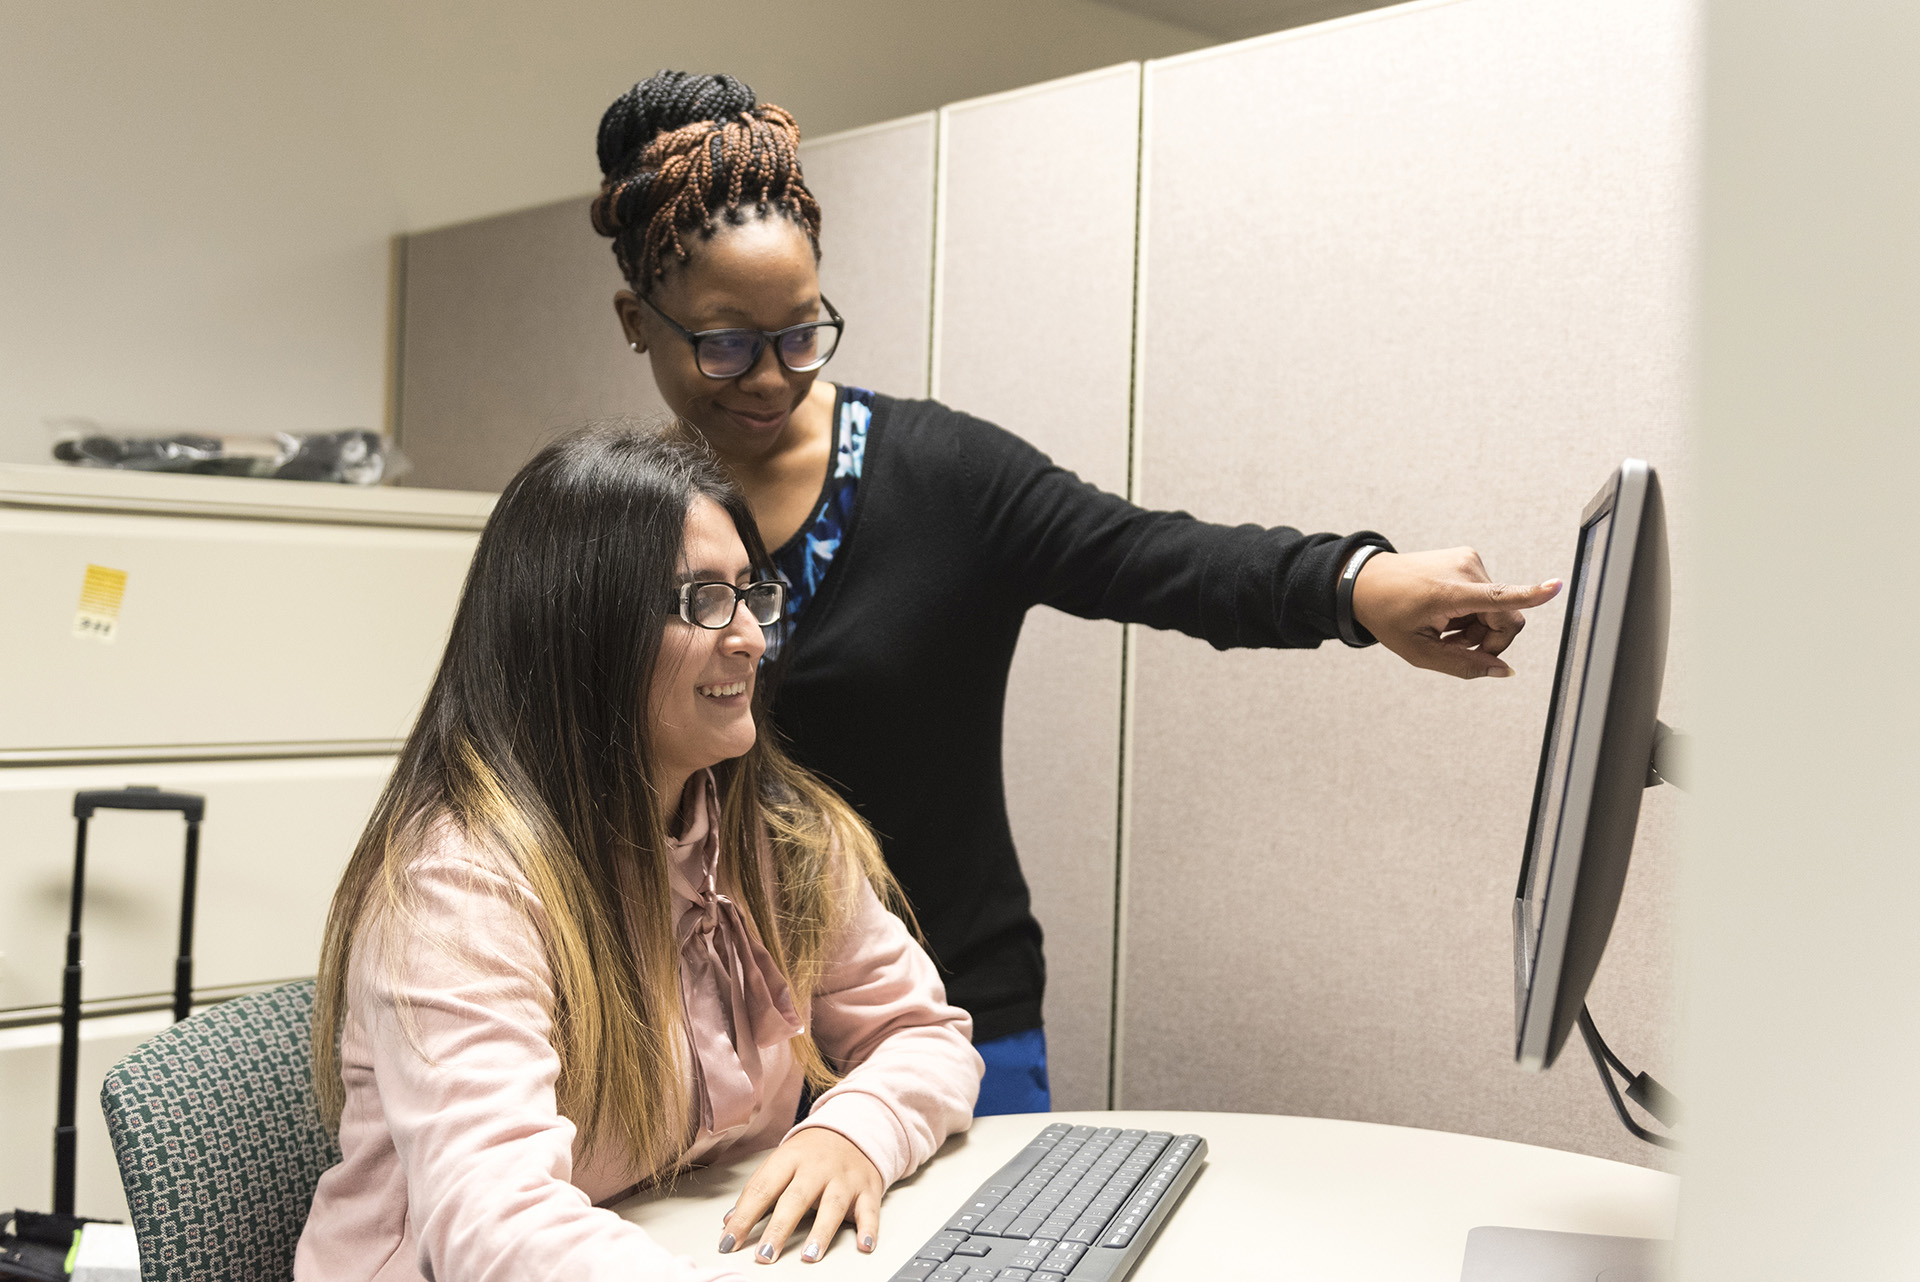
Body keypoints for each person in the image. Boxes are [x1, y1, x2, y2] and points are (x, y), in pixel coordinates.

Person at [591, 70, 1563, 1116]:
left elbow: (1157, 557)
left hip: (951, 1019)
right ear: (636, 322)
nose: (773, 376)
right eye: (726, 343)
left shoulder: (946, 475)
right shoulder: (613, 528)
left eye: (800, 331)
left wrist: (1357, 582)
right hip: (707, 1042)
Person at [297, 428, 981, 1280]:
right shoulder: (458, 886)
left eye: (748, 595)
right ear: (580, 637)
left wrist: (857, 1128)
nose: (751, 641)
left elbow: (924, 1034)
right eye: (700, 603)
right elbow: (498, 1227)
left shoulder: (775, 834)